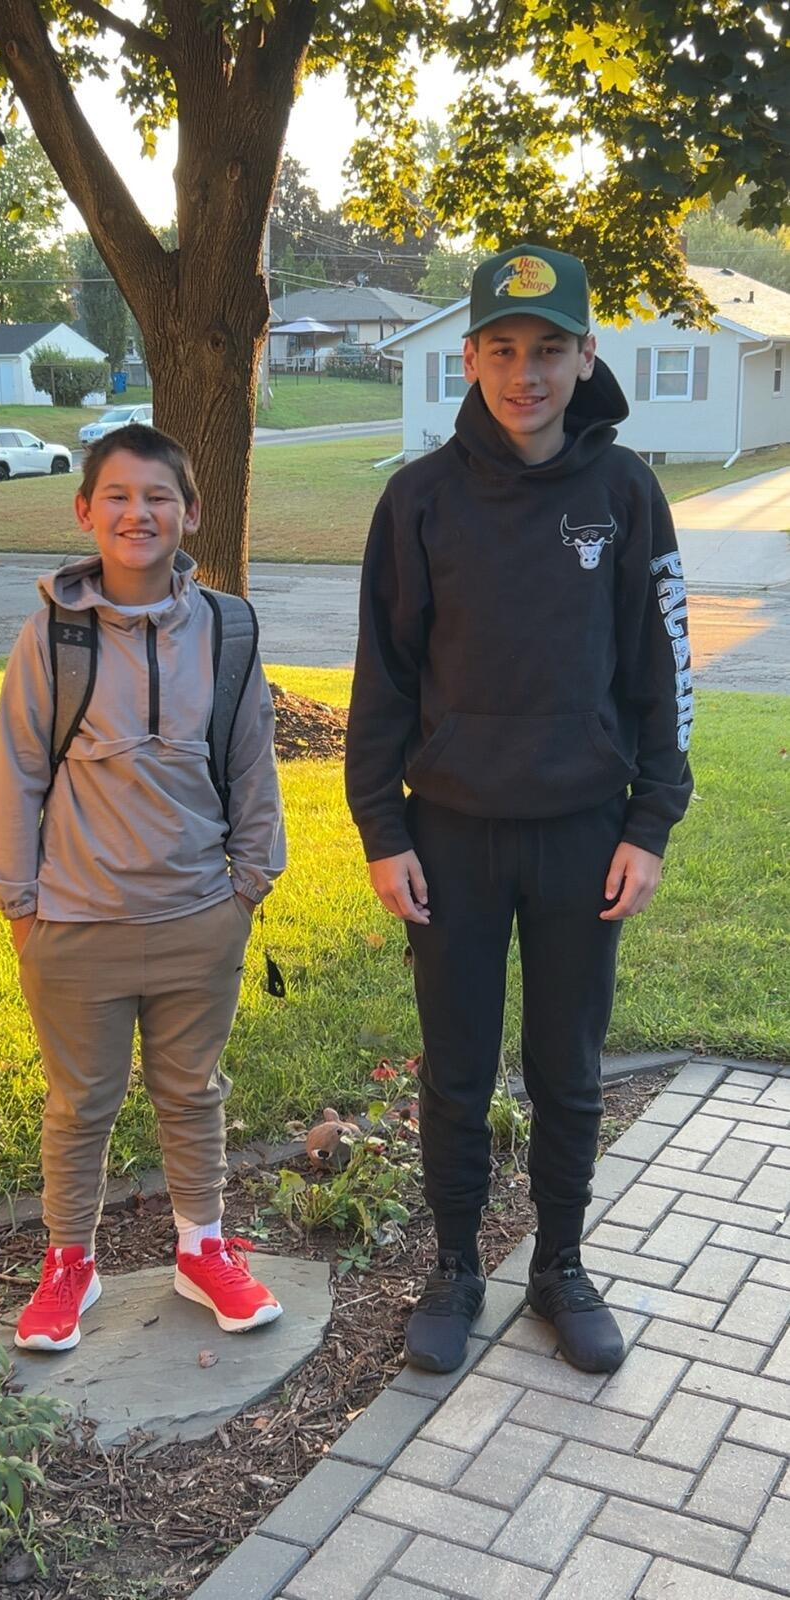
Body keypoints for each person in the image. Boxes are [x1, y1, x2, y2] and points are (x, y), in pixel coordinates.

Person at [345, 245, 693, 1375]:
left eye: (548, 349)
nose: (525, 372)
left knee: (567, 1070)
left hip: (583, 833)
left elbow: (664, 671)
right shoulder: (419, 500)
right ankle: (455, 1266)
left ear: (586, 355)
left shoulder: (626, 494)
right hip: (449, 835)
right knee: (455, 1070)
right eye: (502, 348)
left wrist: (649, 824)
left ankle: (559, 1265)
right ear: (469, 358)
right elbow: (383, 680)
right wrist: (383, 830)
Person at [0, 423, 286, 1352]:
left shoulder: (228, 630)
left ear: (192, 513)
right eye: (117, 495)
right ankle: (70, 1261)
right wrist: (21, 906)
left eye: (158, 497)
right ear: (85, 511)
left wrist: (247, 889)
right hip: (76, 924)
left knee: (193, 1091)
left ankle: (202, 1248)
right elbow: (16, 772)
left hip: (199, 916)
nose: (137, 513)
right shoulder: (52, 635)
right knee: (80, 1105)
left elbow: (252, 761)